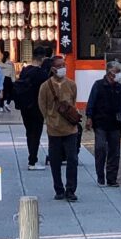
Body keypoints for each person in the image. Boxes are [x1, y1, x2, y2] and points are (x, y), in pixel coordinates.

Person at [37, 56, 82, 201]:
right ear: (53, 69)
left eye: (64, 64)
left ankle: (71, 189)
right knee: (55, 161)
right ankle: (58, 188)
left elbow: (73, 102)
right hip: (54, 129)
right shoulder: (45, 87)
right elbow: (42, 105)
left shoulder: (71, 84)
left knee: (72, 159)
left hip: (70, 128)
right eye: (60, 65)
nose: (63, 67)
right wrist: (49, 118)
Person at [85, 59, 121, 185]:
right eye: (117, 71)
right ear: (110, 72)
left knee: (114, 151)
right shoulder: (98, 85)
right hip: (100, 122)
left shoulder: (119, 87)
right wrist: (89, 117)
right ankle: (100, 175)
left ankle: (112, 178)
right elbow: (91, 102)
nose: (119, 74)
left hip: (116, 122)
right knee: (100, 148)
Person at [9, 48, 51, 167]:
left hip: (24, 106)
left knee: (29, 132)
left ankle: (32, 157)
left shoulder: (25, 70)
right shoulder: (42, 73)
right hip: (37, 106)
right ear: (42, 58)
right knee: (36, 133)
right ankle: (32, 159)